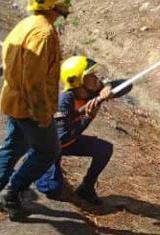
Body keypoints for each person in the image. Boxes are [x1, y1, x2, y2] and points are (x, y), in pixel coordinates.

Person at [0, 0, 73, 218]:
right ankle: (10, 194)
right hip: (31, 108)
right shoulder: (43, 34)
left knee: (13, 145)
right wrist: (42, 114)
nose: (68, 2)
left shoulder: (26, 24)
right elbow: (34, 80)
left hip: (14, 101)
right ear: (50, 2)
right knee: (48, 152)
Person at [35, 55, 132, 205]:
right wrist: (88, 118)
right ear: (78, 81)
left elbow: (127, 85)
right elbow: (63, 138)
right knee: (52, 188)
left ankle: (86, 188)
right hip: (50, 146)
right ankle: (35, 166)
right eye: (90, 75)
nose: (95, 78)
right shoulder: (63, 103)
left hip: (68, 141)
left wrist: (108, 87)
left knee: (104, 149)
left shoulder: (91, 90)